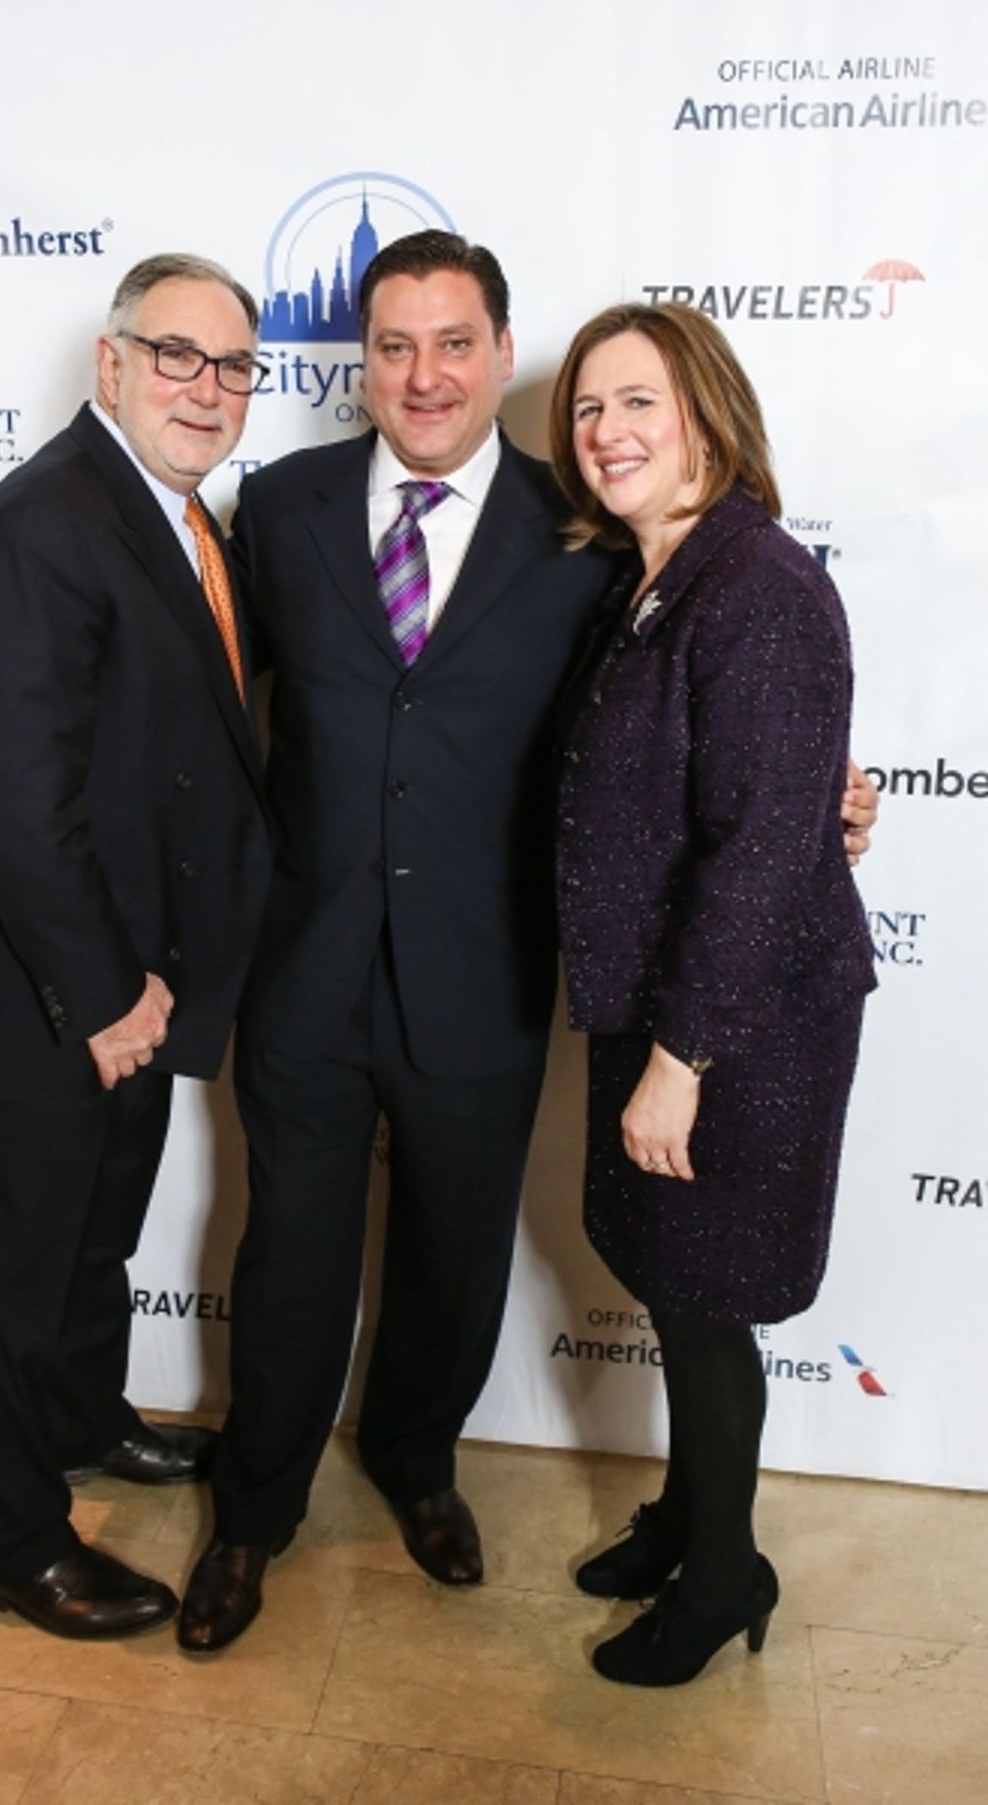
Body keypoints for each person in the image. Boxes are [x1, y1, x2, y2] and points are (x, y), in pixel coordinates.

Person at [177, 232, 878, 1653]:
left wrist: (824, 803)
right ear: (361, 365)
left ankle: (417, 1463)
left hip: (487, 971)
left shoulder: (586, 533)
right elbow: (201, 724)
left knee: (453, 1259)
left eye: (454, 342)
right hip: (305, 968)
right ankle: (254, 1509)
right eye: (393, 344)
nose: (424, 373)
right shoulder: (279, 506)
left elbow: (688, 737)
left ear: (503, 354)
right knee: (290, 1258)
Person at [0, 254, 273, 1638]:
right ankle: (10, 1538)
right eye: (178, 355)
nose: (207, 389)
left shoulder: (175, 516)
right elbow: (12, 792)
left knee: (89, 1243)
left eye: (233, 366)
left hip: (130, 986)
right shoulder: (46, 520)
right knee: (10, 1275)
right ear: (111, 364)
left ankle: (85, 1418)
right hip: (37, 991)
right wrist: (104, 987)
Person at [549, 302, 876, 1686]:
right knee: (680, 1283)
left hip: (740, 1024)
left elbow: (752, 854)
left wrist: (681, 1055)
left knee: (707, 1299)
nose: (607, 432)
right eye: (587, 410)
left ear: (707, 415)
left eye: (638, 402)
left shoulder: (761, 587)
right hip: (667, 996)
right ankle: (690, 1516)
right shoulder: (656, 575)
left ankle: (725, 1572)